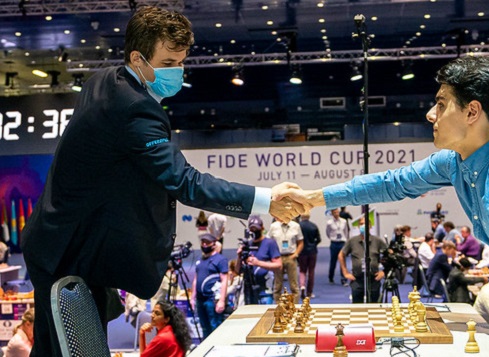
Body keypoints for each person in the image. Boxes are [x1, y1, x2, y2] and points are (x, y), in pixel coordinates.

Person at [277, 55, 489, 355]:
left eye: (441, 104)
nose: (431, 114)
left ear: (473, 111)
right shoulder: (458, 161)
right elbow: (391, 183)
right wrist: (313, 197)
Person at [20, 6, 303, 356]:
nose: (177, 71)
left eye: (181, 61)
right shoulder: (133, 109)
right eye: (168, 62)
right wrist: (266, 198)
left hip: (66, 242)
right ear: (138, 58)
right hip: (67, 254)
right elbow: (184, 182)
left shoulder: (104, 80)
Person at [338, 217, 387, 303]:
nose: (363, 226)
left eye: (365, 224)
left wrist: (384, 272)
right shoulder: (353, 241)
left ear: (370, 226)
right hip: (357, 279)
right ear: (358, 226)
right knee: (357, 307)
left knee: (375, 306)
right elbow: (341, 255)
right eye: (361, 224)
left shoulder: (377, 241)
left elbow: (389, 255)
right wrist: (345, 272)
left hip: (374, 279)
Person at [235, 215, 282, 305]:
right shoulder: (248, 244)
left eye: (256, 229)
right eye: (252, 229)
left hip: (265, 291)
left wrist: (258, 263)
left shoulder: (269, 243)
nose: (254, 231)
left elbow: (278, 265)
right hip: (249, 291)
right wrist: (239, 256)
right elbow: (237, 271)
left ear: (262, 228)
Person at [192, 233, 228, 338]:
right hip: (200, 300)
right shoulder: (199, 260)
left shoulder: (220, 259)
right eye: (203, 242)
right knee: (204, 327)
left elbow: (224, 280)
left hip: (212, 299)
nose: (204, 244)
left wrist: (221, 300)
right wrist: (192, 298)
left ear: (213, 244)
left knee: (215, 327)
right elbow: (195, 279)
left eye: (207, 242)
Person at [267, 217, 304, 303]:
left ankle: (294, 306)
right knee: (277, 285)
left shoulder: (296, 226)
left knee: (294, 285)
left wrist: (296, 254)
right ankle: (279, 307)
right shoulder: (273, 226)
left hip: (291, 256)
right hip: (278, 257)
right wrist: (272, 255)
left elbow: (301, 242)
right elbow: (268, 241)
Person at [298, 213, 321, 299]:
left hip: (302, 251)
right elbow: (319, 239)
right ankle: (309, 292)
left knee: (302, 270)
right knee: (311, 271)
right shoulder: (313, 226)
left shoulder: (298, 226)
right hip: (312, 251)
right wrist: (313, 245)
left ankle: (302, 286)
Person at [326, 208, 349, 285]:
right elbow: (328, 232)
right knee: (333, 261)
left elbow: (346, 231)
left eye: (337, 212)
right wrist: (332, 238)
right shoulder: (329, 222)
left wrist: (345, 240)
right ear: (332, 213)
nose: (337, 213)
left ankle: (344, 279)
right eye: (335, 212)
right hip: (334, 243)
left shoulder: (344, 221)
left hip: (342, 243)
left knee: (342, 261)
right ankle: (331, 277)